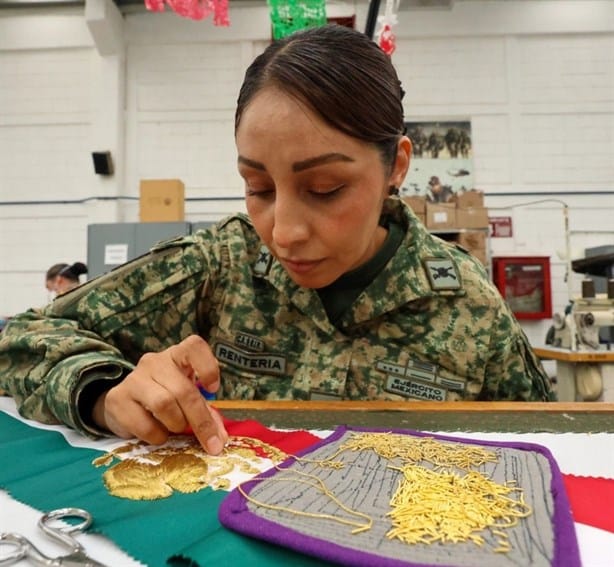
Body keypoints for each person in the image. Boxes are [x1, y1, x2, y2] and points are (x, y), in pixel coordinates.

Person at [0, 25, 554, 456]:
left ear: (396, 167)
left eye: (326, 188)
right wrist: (102, 393)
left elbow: (551, 449)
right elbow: (22, 338)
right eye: (258, 186)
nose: (283, 232)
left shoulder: (467, 304)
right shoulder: (221, 265)